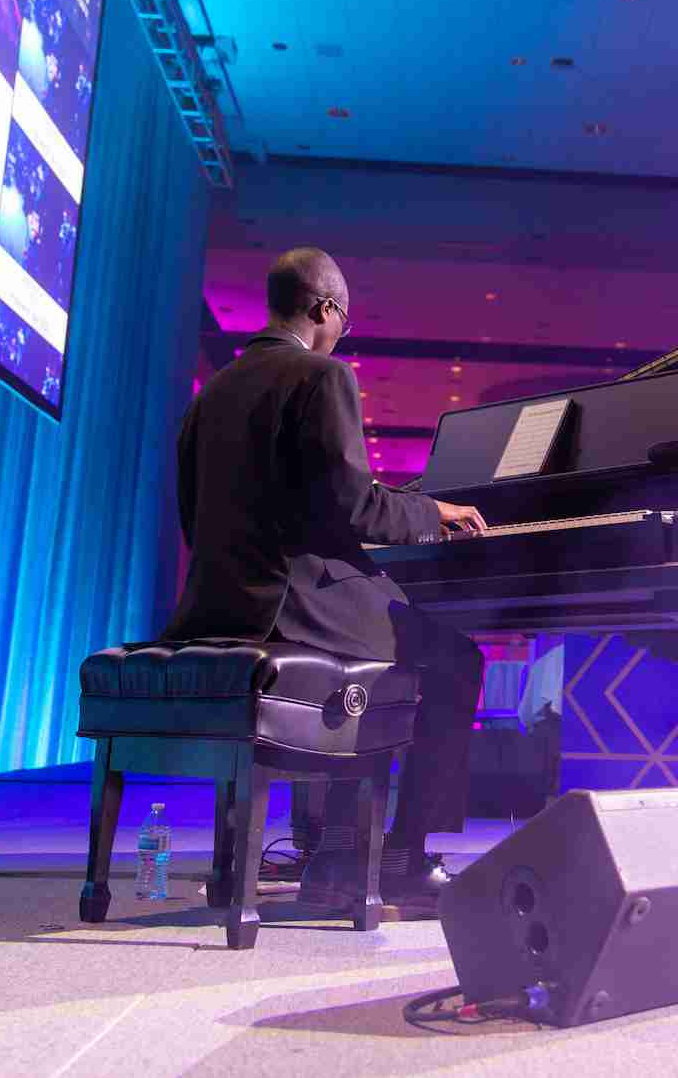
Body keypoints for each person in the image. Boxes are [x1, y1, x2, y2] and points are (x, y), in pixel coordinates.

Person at [163, 247, 488, 916]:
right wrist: (433, 511)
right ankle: (400, 857)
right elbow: (355, 506)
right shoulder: (321, 376)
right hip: (293, 608)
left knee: (383, 645)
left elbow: (194, 516)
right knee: (454, 658)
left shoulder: (211, 394)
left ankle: (335, 846)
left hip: (216, 615)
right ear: (325, 309)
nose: (343, 332)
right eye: (345, 320)